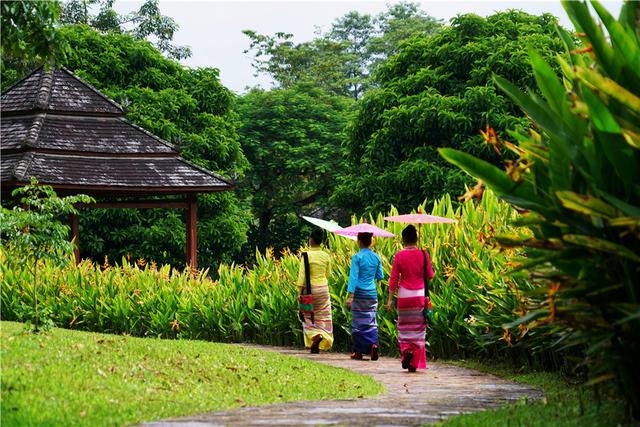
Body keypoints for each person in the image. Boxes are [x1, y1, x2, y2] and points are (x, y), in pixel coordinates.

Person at [386, 225, 434, 372]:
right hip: (419, 295)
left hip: (404, 296)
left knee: (404, 327)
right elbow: (430, 276)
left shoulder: (399, 255)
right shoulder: (424, 254)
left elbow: (394, 279)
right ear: (416, 238)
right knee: (418, 329)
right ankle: (414, 362)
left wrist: (389, 299)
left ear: (404, 239)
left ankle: (407, 351)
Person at [346, 232, 384, 360]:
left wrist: (351, 296)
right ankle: (373, 345)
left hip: (359, 293)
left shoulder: (357, 257)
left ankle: (358, 352)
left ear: (359, 241)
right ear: (370, 242)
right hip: (372, 293)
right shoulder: (376, 257)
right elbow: (380, 276)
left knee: (358, 322)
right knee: (371, 321)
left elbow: (353, 277)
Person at [297, 228, 334, 354]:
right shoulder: (325, 255)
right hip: (323, 289)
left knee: (308, 316)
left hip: (310, 290)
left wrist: (299, 293)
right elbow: (328, 274)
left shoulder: (306, 255)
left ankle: (315, 336)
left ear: (311, 239)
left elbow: (301, 277)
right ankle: (323, 336)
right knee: (323, 315)